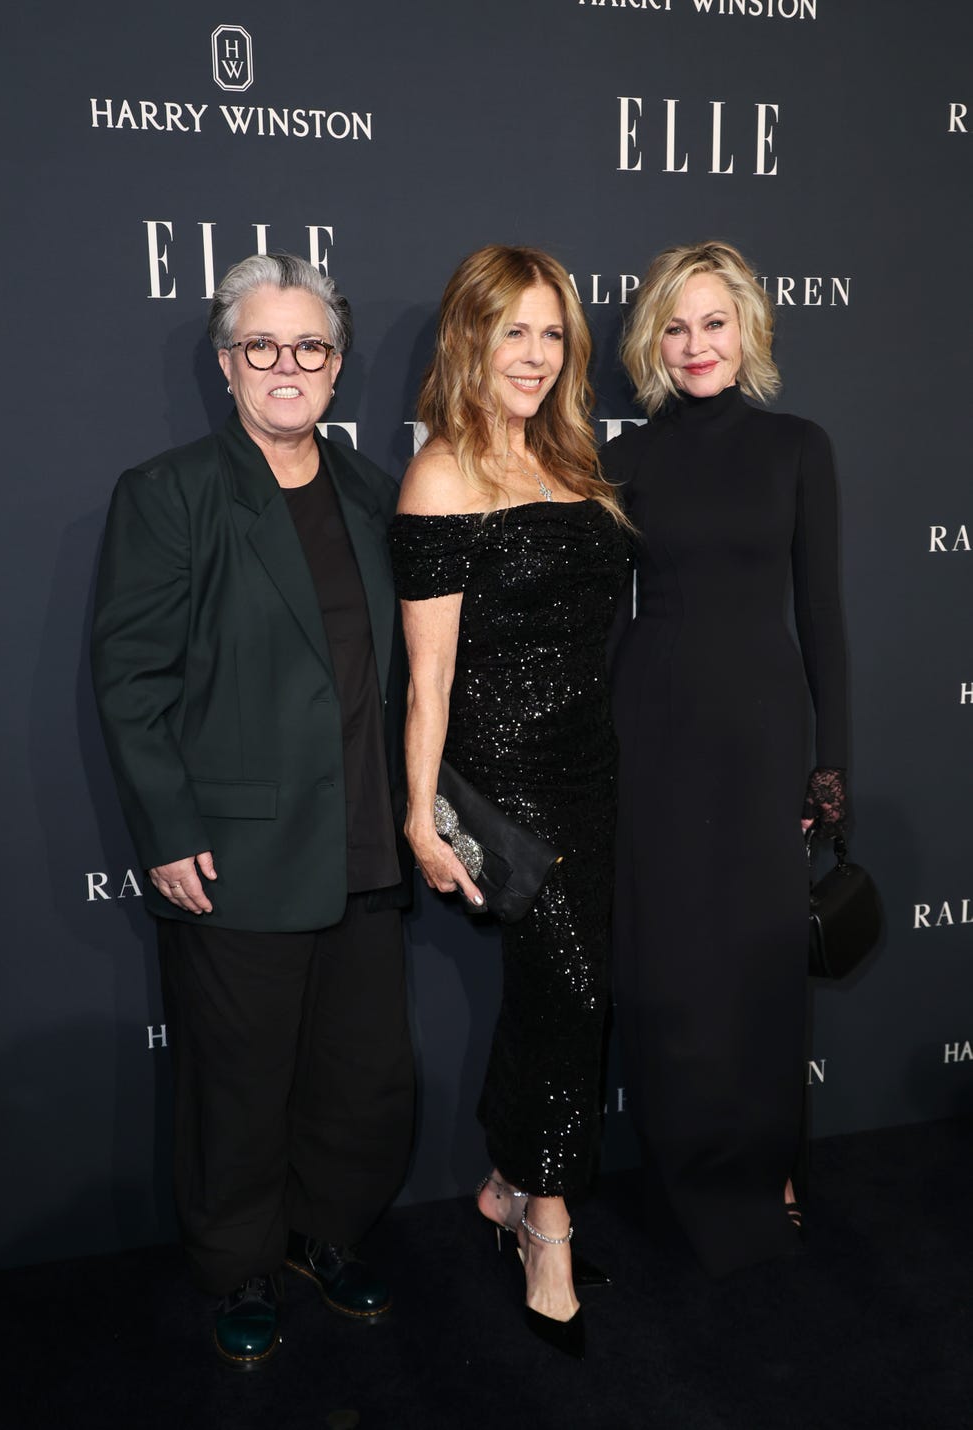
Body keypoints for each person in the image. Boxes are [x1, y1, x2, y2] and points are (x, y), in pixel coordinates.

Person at [91, 252, 415, 1367]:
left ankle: (324, 1235)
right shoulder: (170, 491)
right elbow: (131, 676)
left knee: (358, 1073)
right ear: (226, 365)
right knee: (237, 1084)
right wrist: (169, 827)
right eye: (261, 346)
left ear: (337, 368)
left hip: (365, 844)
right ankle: (237, 1264)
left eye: (310, 347)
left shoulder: (377, 494)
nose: (287, 367)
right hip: (232, 853)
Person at [389, 245, 630, 1358]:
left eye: (549, 334)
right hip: (500, 784)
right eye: (512, 332)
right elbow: (426, 675)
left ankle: (501, 1179)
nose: (532, 354)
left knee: (566, 997)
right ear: (469, 340)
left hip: (589, 769)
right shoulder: (439, 473)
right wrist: (416, 811)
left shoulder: (573, 459)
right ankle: (544, 1222)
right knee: (570, 991)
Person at [604, 240, 848, 1277]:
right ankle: (686, 1169)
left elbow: (821, 616)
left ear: (747, 329)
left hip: (759, 736)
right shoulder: (618, 457)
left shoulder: (798, 445)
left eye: (713, 321)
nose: (694, 343)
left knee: (755, 964)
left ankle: (765, 1162)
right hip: (650, 731)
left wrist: (828, 764)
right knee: (673, 966)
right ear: (648, 340)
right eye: (674, 324)